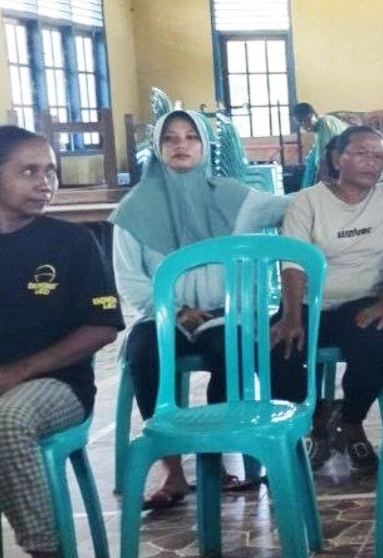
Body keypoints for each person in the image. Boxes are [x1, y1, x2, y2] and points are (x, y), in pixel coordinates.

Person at [112, 109, 289, 510]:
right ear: (157, 147)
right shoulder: (134, 208)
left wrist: (344, 192)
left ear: (205, 145)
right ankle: (172, 467)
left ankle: (214, 459)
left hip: (221, 312)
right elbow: (130, 279)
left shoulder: (235, 197)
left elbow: (291, 206)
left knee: (231, 353)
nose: (181, 145)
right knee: (145, 355)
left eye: (191, 137)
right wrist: (175, 310)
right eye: (170, 137)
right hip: (161, 315)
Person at [0, 126, 124, 558]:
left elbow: (102, 327)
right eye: (28, 171)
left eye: (49, 171)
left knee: (5, 422)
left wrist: (21, 370)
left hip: (56, 385)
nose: (45, 182)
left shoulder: (72, 242)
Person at [271, 126, 383, 476]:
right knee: (278, 346)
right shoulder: (307, 201)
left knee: (376, 339)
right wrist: (292, 316)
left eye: (379, 156)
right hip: (310, 303)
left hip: (363, 300)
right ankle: (315, 416)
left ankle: (351, 421)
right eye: (362, 153)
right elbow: (293, 263)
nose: (372, 163)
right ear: (338, 159)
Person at [293, 102, 349, 189]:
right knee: (310, 158)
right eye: (301, 123)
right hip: (339, 167)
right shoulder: (319, 130)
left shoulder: (325, 123)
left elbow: (323, 160)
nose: (304, 125)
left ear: (314, 115)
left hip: (345, 168)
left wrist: (317, 188)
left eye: (306, 120)